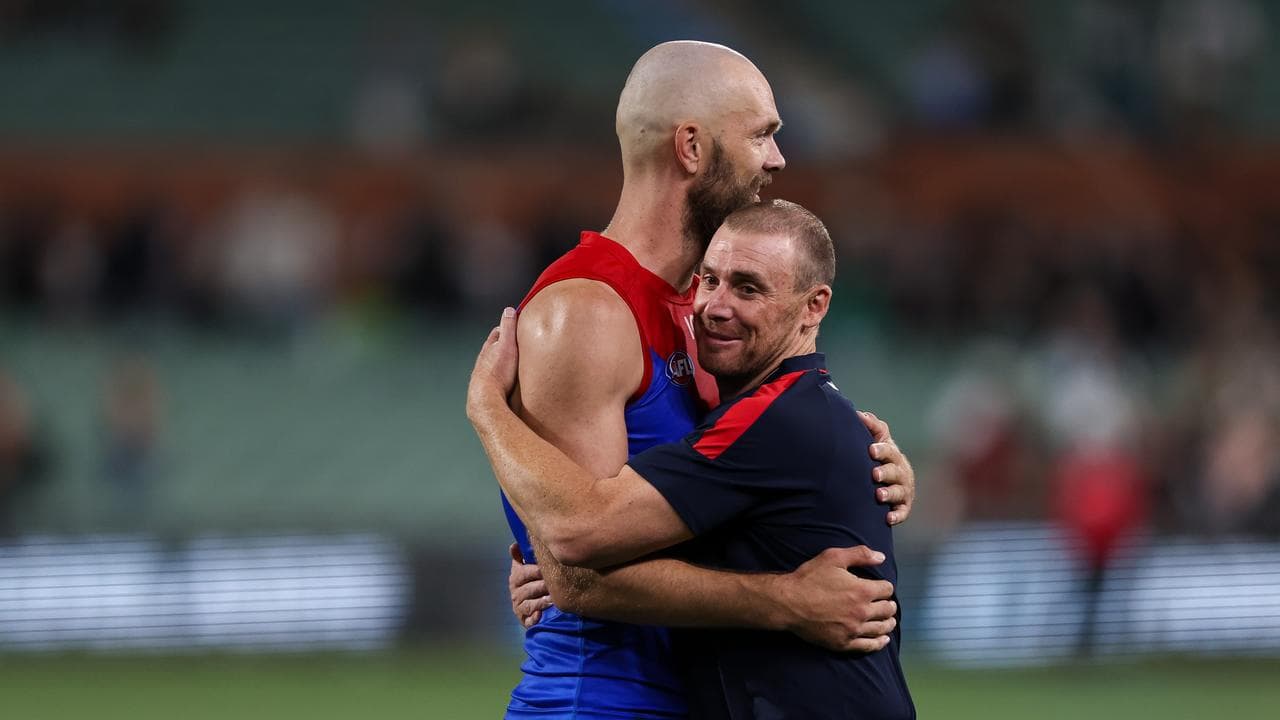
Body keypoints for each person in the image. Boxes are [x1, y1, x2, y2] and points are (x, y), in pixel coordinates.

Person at [496, 41, 916, 719]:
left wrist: (860, 464)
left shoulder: (702, 313)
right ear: (691, 147)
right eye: (761, 135)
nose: (777, 159)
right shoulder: (587, 311)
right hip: (602, 704)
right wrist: (785, 600)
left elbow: (749, 467)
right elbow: (574, 567)